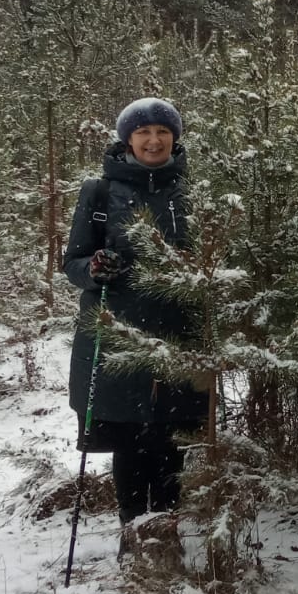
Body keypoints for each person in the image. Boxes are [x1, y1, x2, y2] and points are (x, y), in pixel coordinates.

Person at [63, 97, 206, 557]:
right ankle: (132, 532)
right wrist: (94, 269)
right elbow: (73, 262)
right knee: (127, 437)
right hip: (116, 331)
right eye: (143, 132)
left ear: (174, 139)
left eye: (162, 132)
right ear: (127, 140)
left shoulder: (193, 191)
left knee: (169, 438)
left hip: (178, 331)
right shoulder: (100, 192)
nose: (153, 140)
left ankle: (166, 532)